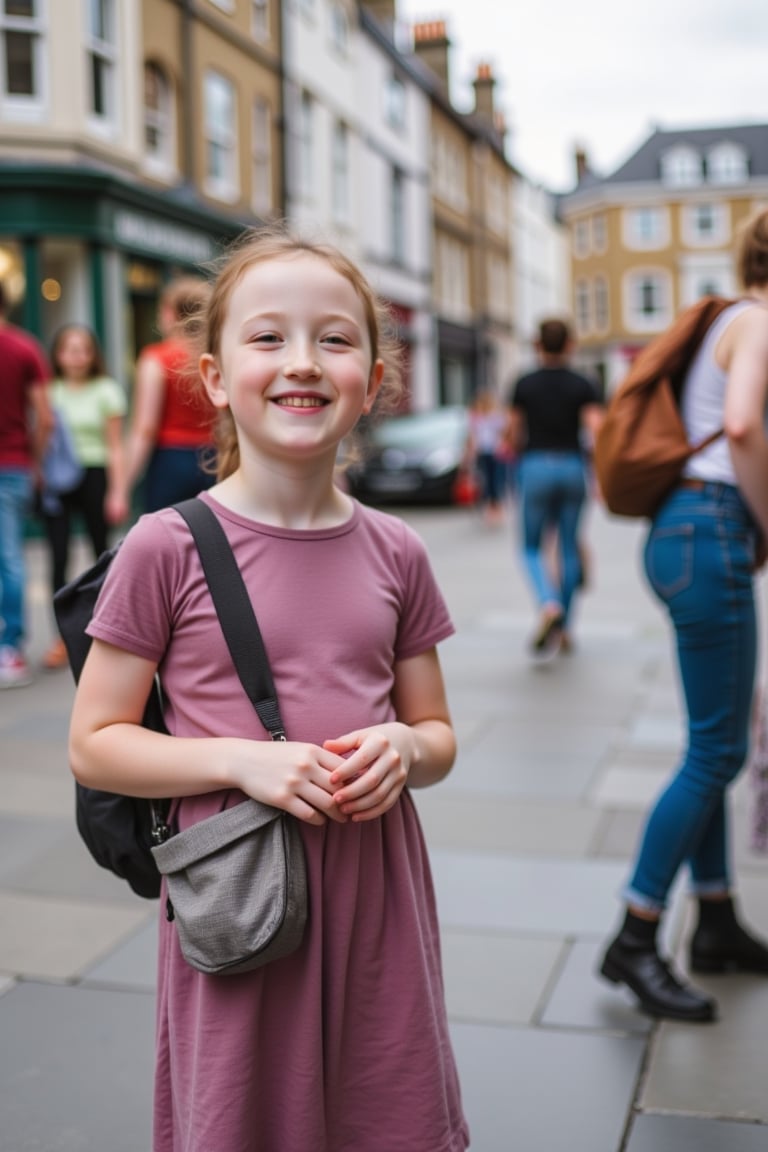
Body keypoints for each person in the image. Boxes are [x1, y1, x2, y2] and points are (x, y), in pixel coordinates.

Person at [68, 228, 469, 1152]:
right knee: (248, 1117)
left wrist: (405, 750)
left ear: (373, 382)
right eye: (268, 338)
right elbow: (97, 741)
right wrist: (244, 760)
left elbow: (438, 730)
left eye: (334, 339)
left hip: (377, 889)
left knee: (386, 1106)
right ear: (213, 377)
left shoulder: (397, 551)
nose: (303, 362)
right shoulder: (164, 547)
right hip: (241, 893)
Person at [599, 207, 768, 1024]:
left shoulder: (727, 321)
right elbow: (740, 426)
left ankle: (717, 919)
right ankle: (635, 937)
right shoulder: (758, 323)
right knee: (716, 753)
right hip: (712, 530)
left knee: (710, 746)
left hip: (684, 533)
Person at [506, 318, 603, 657]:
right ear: (570, 345)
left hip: (535, 466)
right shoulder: (584, 383)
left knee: (531, 547)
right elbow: (596, 430)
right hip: (573, 467)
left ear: (538, 345)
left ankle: (549, 604)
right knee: (569, 547)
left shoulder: (524, 383)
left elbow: (514, 433)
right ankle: (564, 630)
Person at [39, 325, 128, 669]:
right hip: (58, 479)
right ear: (58, 355)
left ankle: (104, 631)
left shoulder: (106, 390)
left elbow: (116, 446)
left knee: (100, 554)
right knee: (57, 557)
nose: (76, 355)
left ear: (93, 355)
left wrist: (118, 492)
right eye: (68, 349)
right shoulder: (48, 391)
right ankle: (62, 636)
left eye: (83, 349)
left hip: (95, 475)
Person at [123, 276, 216, 512]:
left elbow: (145, 429)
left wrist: (122, 486)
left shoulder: (157, 358)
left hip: (170, 460)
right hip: (216, 459)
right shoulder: (216, 358)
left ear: (169, 313)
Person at [0, 283, 54, 687]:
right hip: (14, 464)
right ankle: (10, 649)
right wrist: (35, 462)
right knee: (11, 558)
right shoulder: (24, 347)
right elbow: (45, 416)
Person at [466, 387, 508, 523]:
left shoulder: (495, 417)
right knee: (485, 481)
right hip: (483, 452)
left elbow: (503, 432)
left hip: (495, 452)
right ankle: (489, 507)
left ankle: (496, 507)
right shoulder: (476, 418)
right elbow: (472, 436)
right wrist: (471, 452)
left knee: (496, 480)